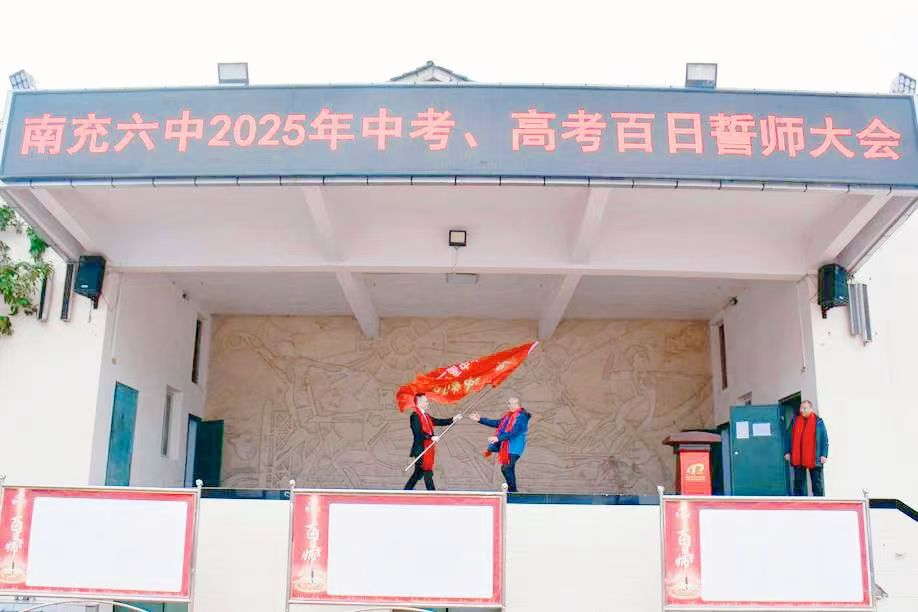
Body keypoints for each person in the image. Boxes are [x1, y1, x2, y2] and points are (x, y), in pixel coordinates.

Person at [470, 392, 531, 493]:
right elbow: (497, 423)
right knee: (508, 468)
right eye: (509, 403)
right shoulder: (508, 416)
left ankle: (513, 492)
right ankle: (513, 492)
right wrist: (480, 420)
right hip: (507, 447)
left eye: (514, 403)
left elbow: (515, 432)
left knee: (506, 468)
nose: (511, 406)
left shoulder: (522, 416)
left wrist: (498, 438)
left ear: (519, 405)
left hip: (515, 447)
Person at [404, 393, 461, 490]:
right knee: (426, 471)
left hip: (428, 448)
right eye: (425, 401)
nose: (427, 403)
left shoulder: (426, 416)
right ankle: (430, 492)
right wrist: (431, 437)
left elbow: (437, 421)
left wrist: (453, 419)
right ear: (419, 402)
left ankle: (408, 491)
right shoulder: (415, 416)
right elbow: (418, 433)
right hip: (421, 448)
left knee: (420, 472)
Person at [784, 400, 829, 496]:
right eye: (801, 408)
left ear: (810, 409)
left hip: (814, 457)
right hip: (798, 456)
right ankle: (799, 501)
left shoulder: (818, 421)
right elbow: (788, 437)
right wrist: (787, 451)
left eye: (804, 408)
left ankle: (818, 501)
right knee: (798, 483)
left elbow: (824, 439)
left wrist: (824, 454)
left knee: (817, 483)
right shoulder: (795, 421)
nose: (801, 410)